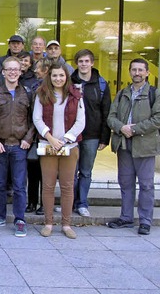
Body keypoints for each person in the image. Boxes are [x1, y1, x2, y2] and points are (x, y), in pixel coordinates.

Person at [106, 58, 160, 235]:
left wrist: (134, 129)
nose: (137, 73)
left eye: (140, 70)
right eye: (134, 70)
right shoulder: (122, 93)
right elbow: (111, 117)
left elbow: (157, 119)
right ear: (129, 72)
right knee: (126, 183)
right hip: (123, 144)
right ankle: (126, 217)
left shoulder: (154, 94)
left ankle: (145, 221)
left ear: (147, 73)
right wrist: (121, 127)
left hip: (144, 145)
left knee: (146, 185)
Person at [0, 57, 35, 237]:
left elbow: (34, 120)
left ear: (21, 72)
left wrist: (28, 139)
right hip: (1, 146)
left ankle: (20, 219)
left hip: (20, 146)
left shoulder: (28, 93)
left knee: (20, 185)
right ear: (3, 72)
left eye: (16, 69)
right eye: (9, 69)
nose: (12, 72)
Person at [33, 63, 85, 239]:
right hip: (48, 146)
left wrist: (65, 139)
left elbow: (81, 121)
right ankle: (48, 223)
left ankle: (66, 224)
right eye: (55, 75)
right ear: (50, 76)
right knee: (47, 186)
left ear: (66, 77)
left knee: (67, 186)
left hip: (69, 147)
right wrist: (50, 138)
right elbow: (37, 118)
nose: (58, 79)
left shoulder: (76, 95)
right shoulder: (42, 93)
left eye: (61, 75)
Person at [71, 49, 111, 217]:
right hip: (72, 135)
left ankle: (82, 203)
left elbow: (106, 112)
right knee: (71, 172)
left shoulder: (101, 84)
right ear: (77, 63)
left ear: (92, 63)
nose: (84, 64)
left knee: (86, 171)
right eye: (81, 61)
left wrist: (104, 137)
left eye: (87, 61)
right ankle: (70, 202)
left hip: (92, 135)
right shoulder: (69, 82)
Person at [28, 57, 53, 215]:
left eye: (38, 68)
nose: (35, 70)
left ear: (46, 70)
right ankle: (31, 202)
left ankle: (45, 203)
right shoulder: (34, 87)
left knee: (47, 173)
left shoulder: (55, 89)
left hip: (49, 136)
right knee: (33, 170)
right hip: (33, 134)